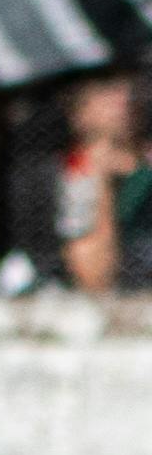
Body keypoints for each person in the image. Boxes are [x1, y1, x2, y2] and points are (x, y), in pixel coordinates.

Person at [58, 72, 143, 292]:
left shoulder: (144, 169)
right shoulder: (74, 172)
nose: (123, 96)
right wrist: (101, 178)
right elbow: (95, 279)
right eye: (106, 88)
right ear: (79, 111)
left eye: (126, 86)